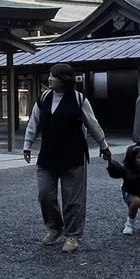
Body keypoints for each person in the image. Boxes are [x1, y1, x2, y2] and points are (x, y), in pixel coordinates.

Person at [22, 63, 112, 254]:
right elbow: (34, 122)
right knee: (45, 194)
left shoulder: (79, 99)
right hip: (48, 154)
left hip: (73, 154)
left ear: (64, 79)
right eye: (50, 75)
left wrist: (103, 146)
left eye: (53, 76)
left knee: (73, 199)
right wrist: (27, 144)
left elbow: (93, 124)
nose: (49, 79)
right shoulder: (44, 98)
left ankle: (73, 235)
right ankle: (55, 226)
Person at [107, 144, 140, 235]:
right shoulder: (126, 170)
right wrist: (110, 160)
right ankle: (129, 223)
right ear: (133, 161)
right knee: (136, 201)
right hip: (130, 192)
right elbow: (116, 171)